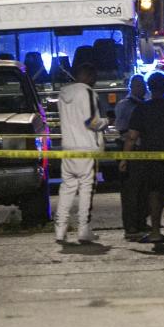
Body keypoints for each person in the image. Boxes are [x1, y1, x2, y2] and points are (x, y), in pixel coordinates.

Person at [121, 72, 164, 243]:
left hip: (150, 156)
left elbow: (131, 137)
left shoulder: (142, 108)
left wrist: (124, 158)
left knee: (154, 192)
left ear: (150, 87)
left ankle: (155, 230)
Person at [54, 63, 109, 243]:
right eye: (94, 77)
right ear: (89, 76)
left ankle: (60, 230)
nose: (95, 81)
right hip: (86, 148)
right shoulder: (87, 92)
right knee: (86, 189)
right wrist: (106, 122)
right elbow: (90, 122)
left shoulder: (63, 94)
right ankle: (83, 229)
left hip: (68, 148)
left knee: (67, 188)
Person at [115, 74, 149, 240]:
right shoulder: (124, 106)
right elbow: (122, 130)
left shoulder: (147, 104)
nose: (143, 88)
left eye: (143, 85)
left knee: (144, 190)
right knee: (130, 191)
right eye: (139, 85)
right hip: (131, 149)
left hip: (145, 151)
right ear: (132, 87)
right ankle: (131, 226)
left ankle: (141, 222)